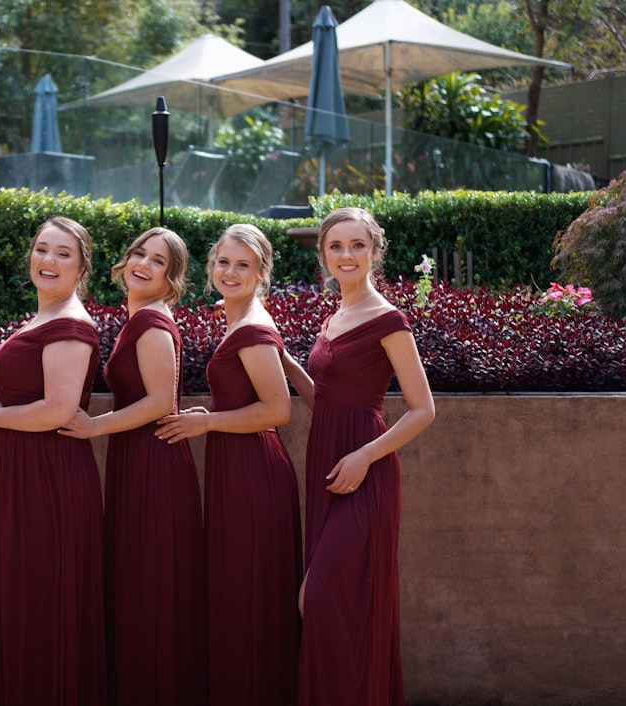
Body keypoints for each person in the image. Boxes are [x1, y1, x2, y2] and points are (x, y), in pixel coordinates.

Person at [282, 207, 435, 706]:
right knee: (337, 605)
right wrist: (282, 357)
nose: (346, 255)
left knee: (322, 599)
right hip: (326, 463)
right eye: (336, 246)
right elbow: (322, 402)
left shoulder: (389, 320)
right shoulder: (333, 319)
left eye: (357, 245)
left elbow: (422, 410)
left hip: (363, 472)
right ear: (323, 255)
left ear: (374, 252)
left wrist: (365, 457)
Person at [156, 223, 302, 706]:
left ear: (262, 273)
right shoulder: (238, 319)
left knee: (249, 595)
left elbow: (278, 411)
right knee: (237, 593)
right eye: (223, 262)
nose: (231, 271)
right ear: (211, 266)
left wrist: (208, 424)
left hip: (252, 474)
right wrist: (212, 419)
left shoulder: (254, 328)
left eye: (244, 264)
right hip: (236, 466)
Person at [60, 227, 204, 706]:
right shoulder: (137, 318)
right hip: (134, 461)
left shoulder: (151, 324)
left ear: (171, 278)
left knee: (153, 590)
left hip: (154, 465)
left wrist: (93, 428)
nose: (143, 264)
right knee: (138, 588)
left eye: (158, 261)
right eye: (139, 253)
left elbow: (162, 401)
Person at [0, 216, 106, 706]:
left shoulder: (70, 326)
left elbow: (59, 409)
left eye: (63, 253)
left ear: (81, 266)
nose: (48, 261)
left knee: (44, 601)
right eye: (42, 250)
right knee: (25, 597)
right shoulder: (41, 318)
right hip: (20, 474)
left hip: (48, 480)